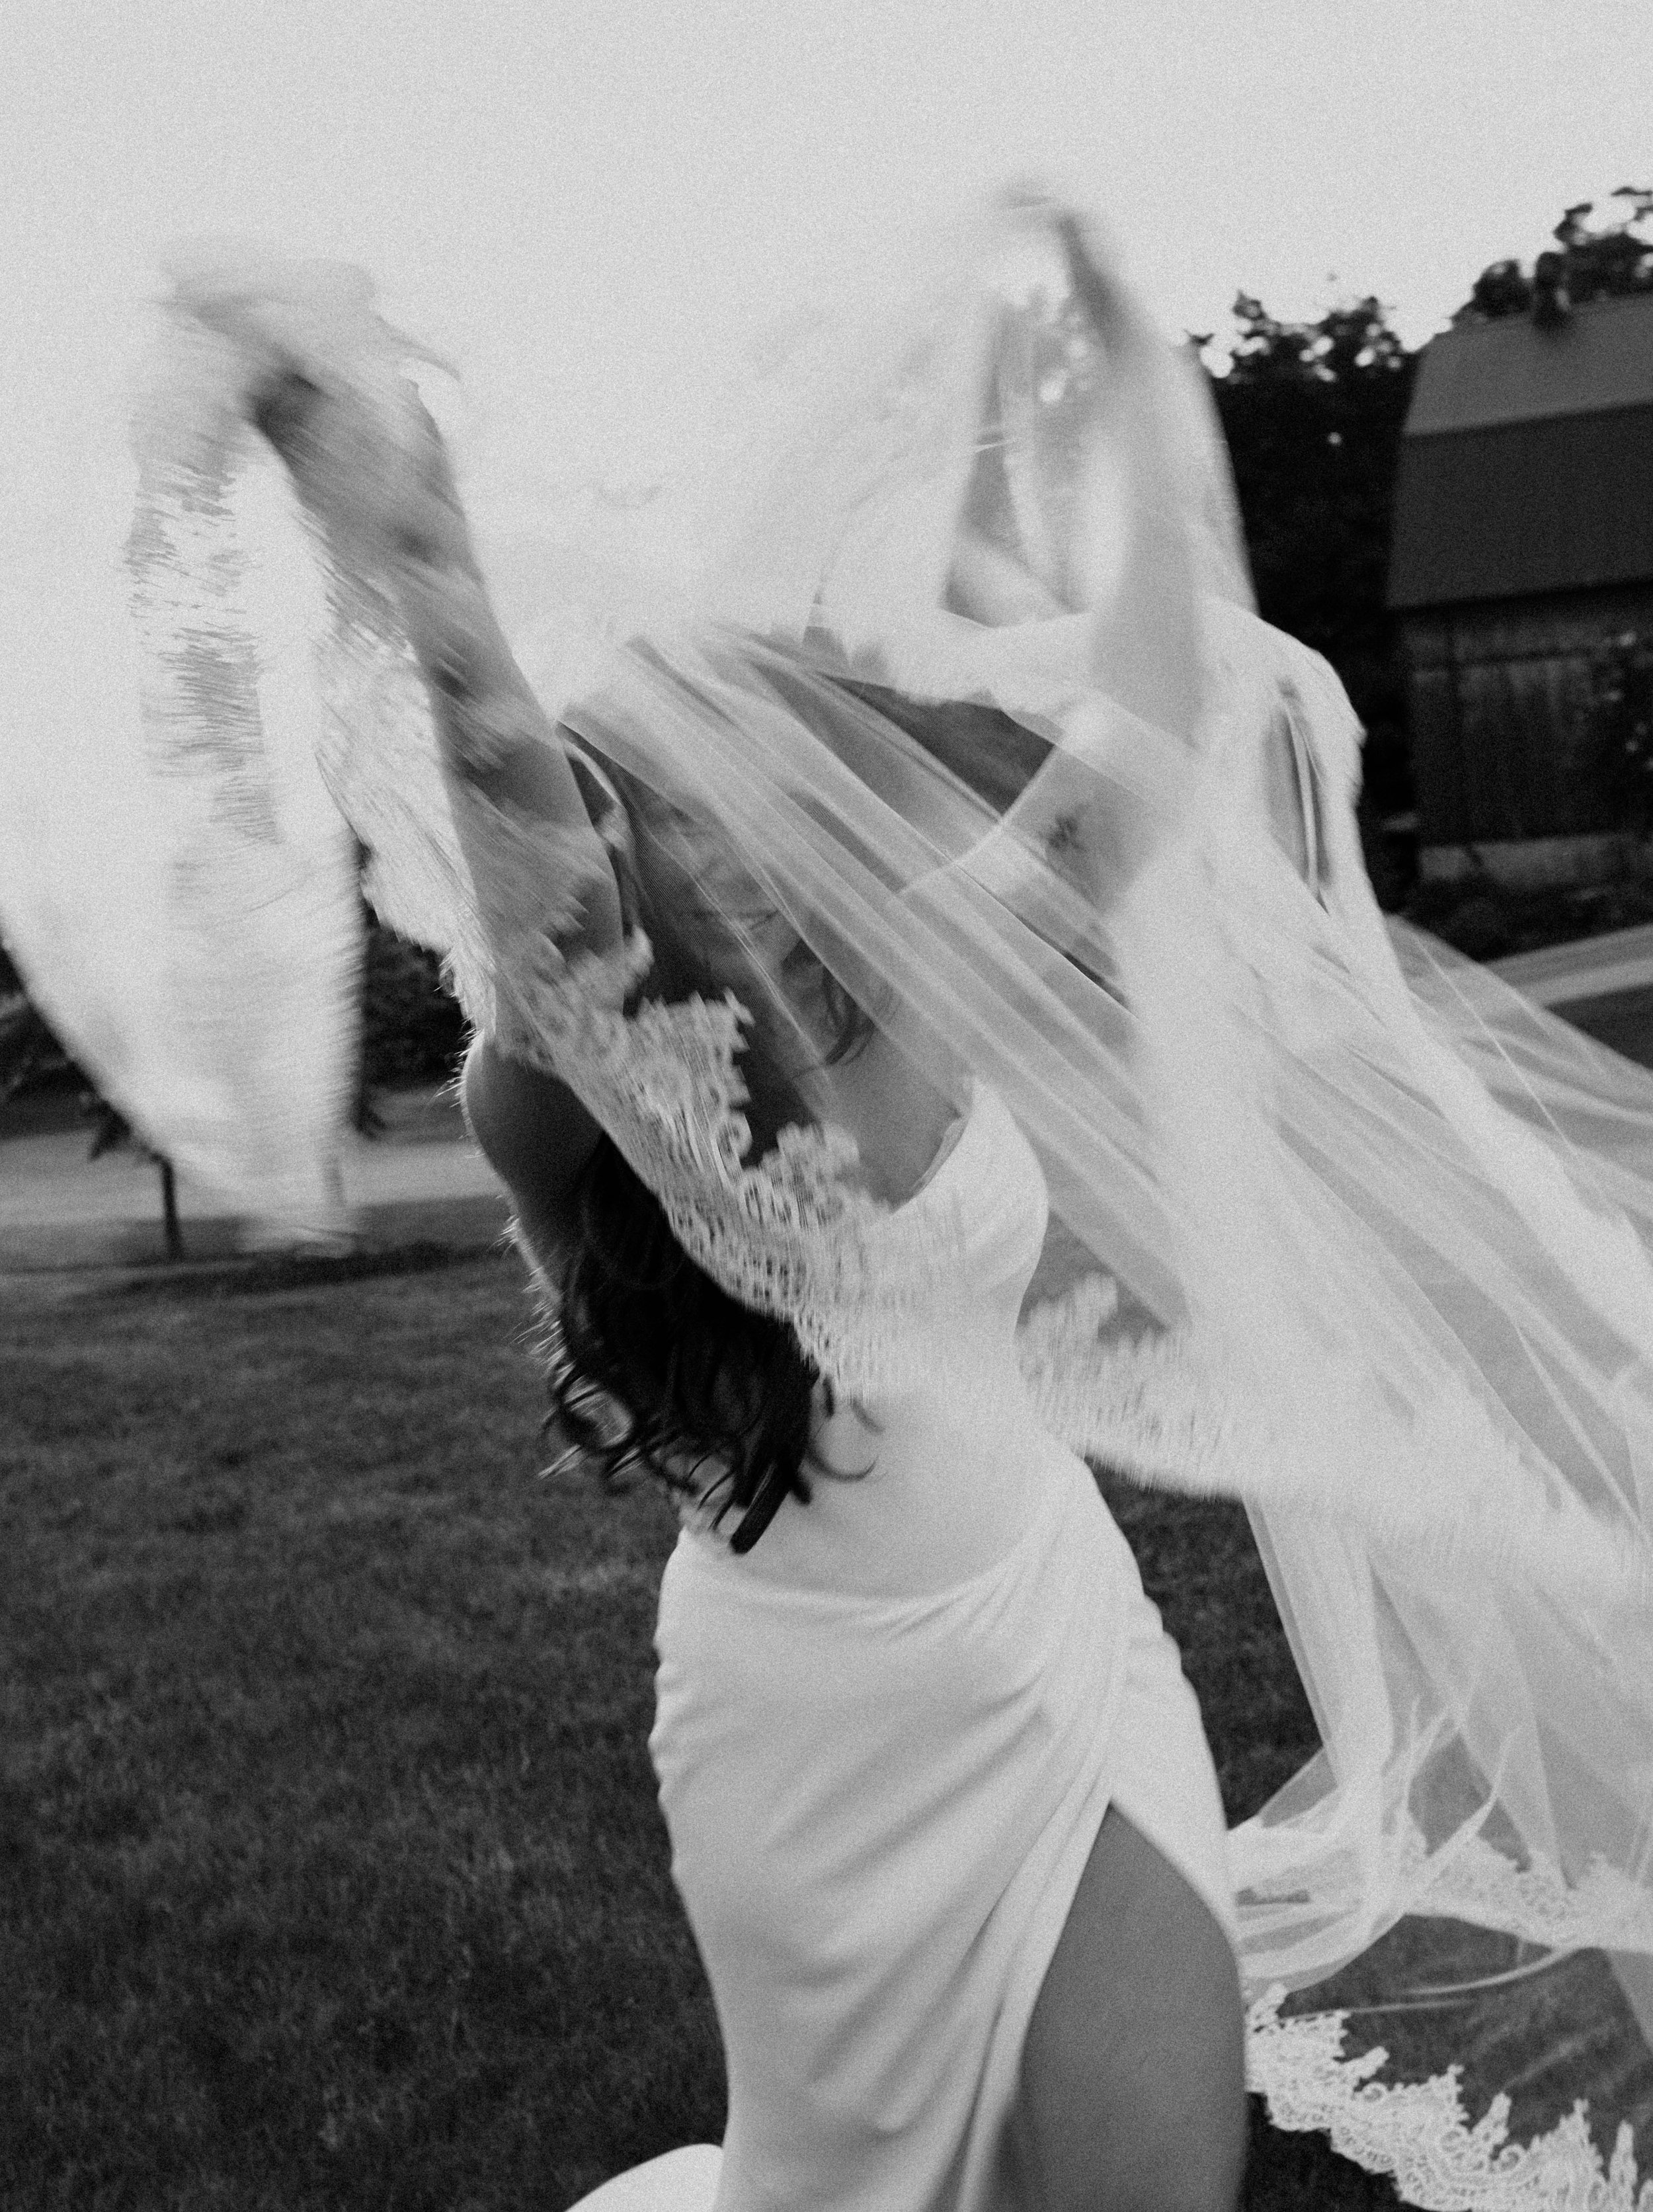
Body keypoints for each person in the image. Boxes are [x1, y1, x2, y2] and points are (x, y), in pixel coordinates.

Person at [24, 192, 1653, 2209]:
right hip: (806, 1725)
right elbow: (546, 879)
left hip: (1053, 1652)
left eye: (743, 813)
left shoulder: (929, 970)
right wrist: (414, 558)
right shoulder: (561, 1092)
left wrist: (1126, 406)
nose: (722, 864)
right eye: (658, 827)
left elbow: (1131, 761)